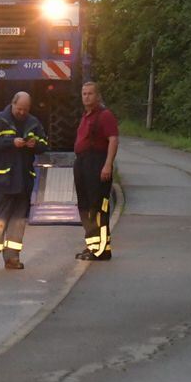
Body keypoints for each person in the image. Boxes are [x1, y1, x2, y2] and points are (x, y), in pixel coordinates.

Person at [0, 91, 48, 270]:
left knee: (18, 223)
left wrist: (36, 144)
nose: (22, 113)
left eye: (25, 110)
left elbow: (44, 143)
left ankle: (12, 259)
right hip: (3, 181)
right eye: (19, 109)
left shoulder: (33, 122)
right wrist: (11, 142)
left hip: (24, 181)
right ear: (12, 104)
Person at [74, 81, 119, 261]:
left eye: (90, 93)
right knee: (85, 206)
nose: (86, 97)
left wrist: (107, 164)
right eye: (84, 93)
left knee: (98, 208)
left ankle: (101, 250)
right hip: (83, 163)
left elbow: (113, 140)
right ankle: (92, 246)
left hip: (97, 163)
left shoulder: (105, 115)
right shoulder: (86, 116)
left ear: (98, 96)